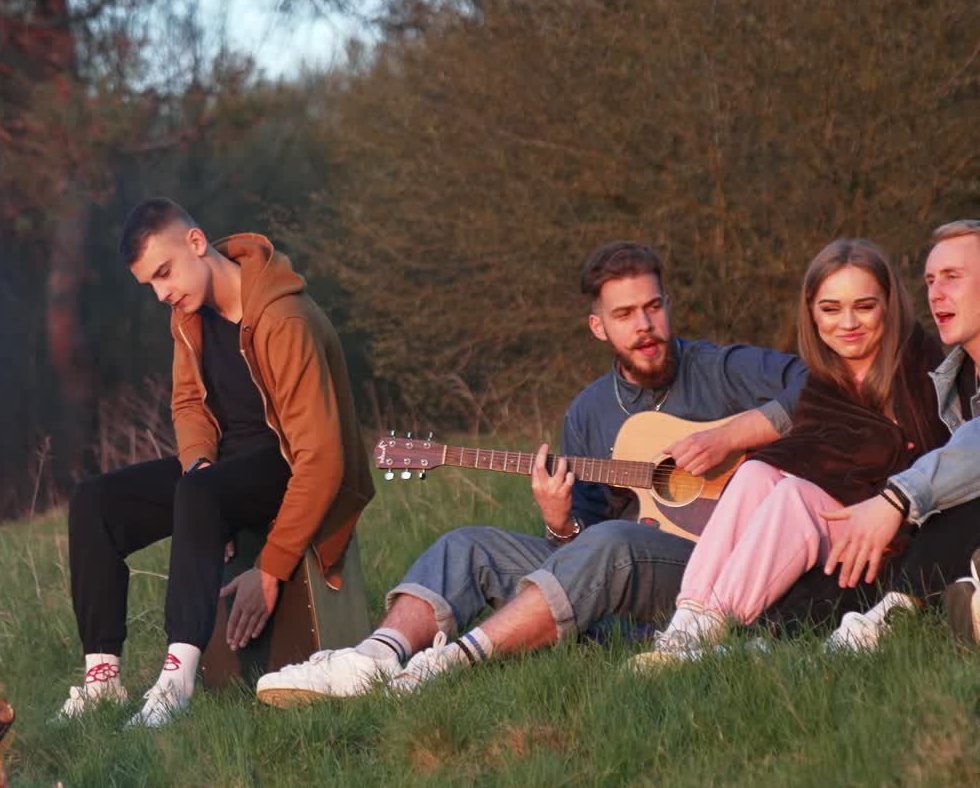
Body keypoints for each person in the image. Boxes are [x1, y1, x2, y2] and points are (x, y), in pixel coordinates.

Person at [254, 241, 806, 706]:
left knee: (615, 541)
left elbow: (818, 383)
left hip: (715, 570)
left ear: (668, 305)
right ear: (598, 327)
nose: (645, 326)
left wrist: (730, 437)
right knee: (466, 545)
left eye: (653, 307)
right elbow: (580, 550)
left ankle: (450, 664)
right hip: (626, 576)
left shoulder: (721, 370)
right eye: (624, 315)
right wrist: (559, 522)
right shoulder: (589, 412)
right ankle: (375, 657)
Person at [59, 198, 373, 726]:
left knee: (200, 492)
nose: (162, 293)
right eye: (150, 285)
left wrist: (270, 568)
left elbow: (323, 461)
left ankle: (175, 684)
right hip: (225, 473)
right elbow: (188, 404)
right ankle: (102, 681)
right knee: (95, 503)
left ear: (197, 243)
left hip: (290, 466)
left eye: (164, 273)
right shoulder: (188, 318)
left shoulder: (283, 318)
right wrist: (200, 466)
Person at [633, 238, 947, 664]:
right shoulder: (824, 379)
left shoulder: (918, 366)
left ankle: (715, 622)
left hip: (887, 530)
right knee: (755, 473)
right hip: (838, 516)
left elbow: (923, 458)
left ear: (889, 305)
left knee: (794, 496)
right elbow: (804, 446)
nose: (848, 323)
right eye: (831, 309)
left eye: (864, 306)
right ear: (812, 312)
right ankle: (686, 623)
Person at [765, 220, 980, 648]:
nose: (936, 293)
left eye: (952, 277)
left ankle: (893, 615)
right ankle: (765, 636)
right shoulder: (952, 379)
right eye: (930, 280)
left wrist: (896, 499)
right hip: (946, 542)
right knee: (850, 560)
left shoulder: (924, 368)